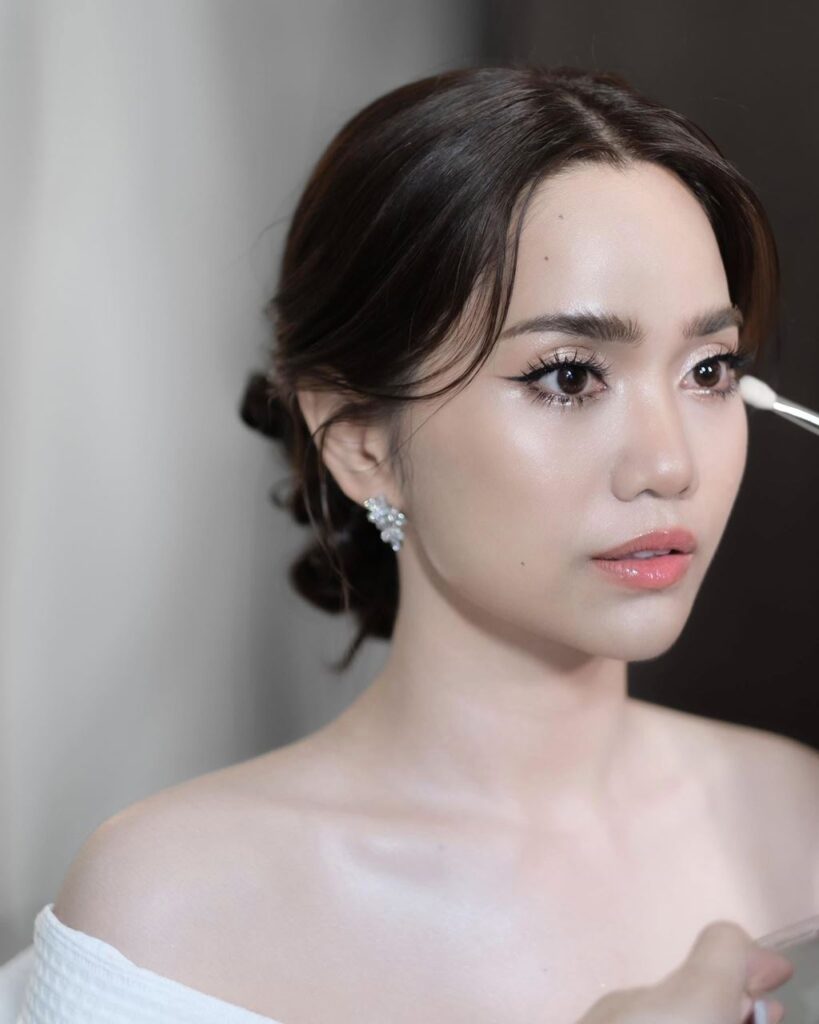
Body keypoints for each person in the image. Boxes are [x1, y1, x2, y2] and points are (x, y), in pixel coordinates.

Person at [25, 65, 817, 1023]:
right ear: (361, 444)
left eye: (708, 369)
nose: (669, 463)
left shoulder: (794, 818)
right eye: (568, 377)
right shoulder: (167, 910)